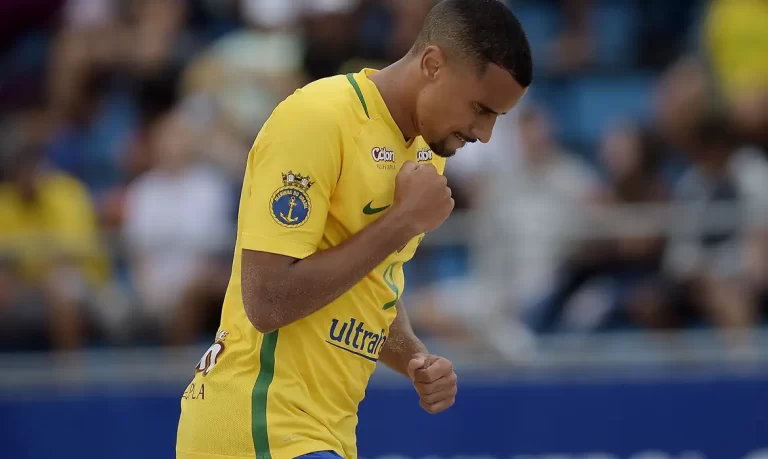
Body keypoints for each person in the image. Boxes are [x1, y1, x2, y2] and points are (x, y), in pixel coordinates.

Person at [175, 1, 532, 458]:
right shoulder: (317, 118)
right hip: (258, 420)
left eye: (497, 118)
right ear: (432, 65)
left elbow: (370, 287)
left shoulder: (426, 153)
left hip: (322, 432)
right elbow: (266, 300)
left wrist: (414, 357)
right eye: (481, 109)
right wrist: (402, 221)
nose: (484, 134)